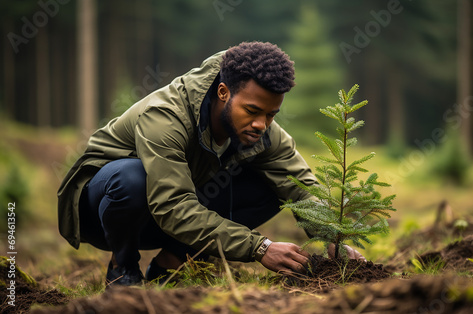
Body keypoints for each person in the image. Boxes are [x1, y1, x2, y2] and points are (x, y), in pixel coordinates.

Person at [57, 41, 364, 286]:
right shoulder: (165, 117)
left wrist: (331, 236)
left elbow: (302, 187)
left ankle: (172, 262)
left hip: (171, 215)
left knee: (276, 186)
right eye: (253, 110)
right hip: (103, 209)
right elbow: (172, 206)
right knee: (131, 177)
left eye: (271, 115)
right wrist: (259, 247)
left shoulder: (265, 132)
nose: (261, 124)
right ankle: (122, 268)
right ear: (223, 92)